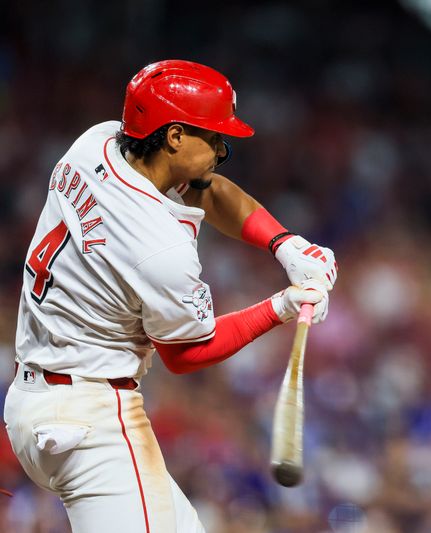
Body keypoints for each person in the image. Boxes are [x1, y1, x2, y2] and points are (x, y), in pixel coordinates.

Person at [3, 59, 338, 532]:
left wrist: (284, 244)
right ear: (176, 136)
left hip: (33, 399)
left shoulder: (95, 143)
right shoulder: (159, 246)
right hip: (90, 422)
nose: (223, 149)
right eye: (215, 137)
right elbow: (186, 354)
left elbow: (206, 190)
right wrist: (280, 307)